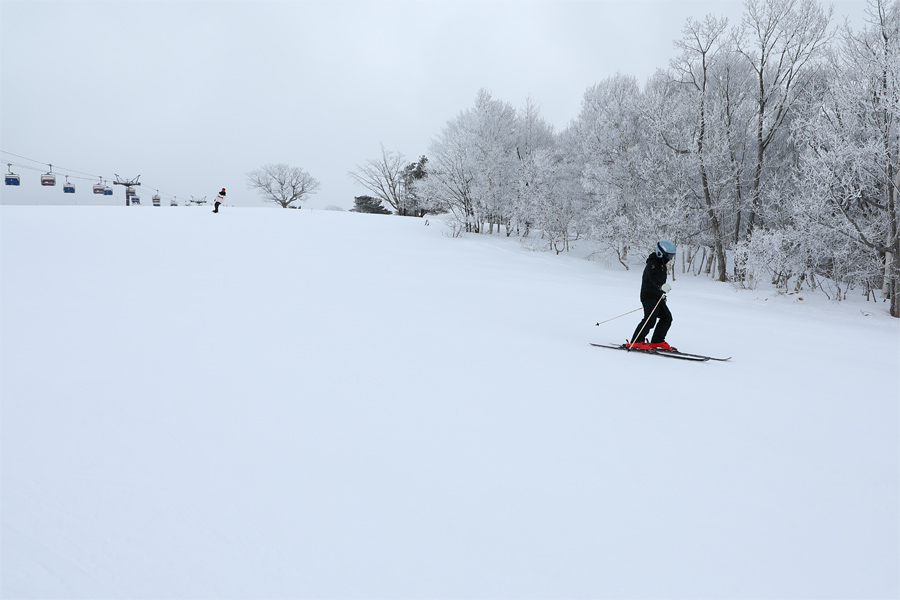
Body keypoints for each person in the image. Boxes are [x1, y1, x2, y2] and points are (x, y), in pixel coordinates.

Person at [628, 240, 677, 351]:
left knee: (666, 318)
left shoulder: (662, 265)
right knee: (650, 319)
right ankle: (636, 341)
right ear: (661, 253)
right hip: (648, 295)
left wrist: (662, 294)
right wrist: (660, 286)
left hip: (657, 296)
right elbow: (653, 277)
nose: (670, 259)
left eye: (672, 256)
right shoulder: (653, 262)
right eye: (669, 256)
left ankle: (657, 341)